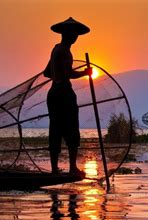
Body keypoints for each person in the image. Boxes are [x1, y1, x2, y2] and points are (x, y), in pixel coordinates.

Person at [43, 17, 92, 176]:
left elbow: (47, 72)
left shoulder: (56, 49)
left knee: (55, 128)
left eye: (76, 34)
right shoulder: (63, 50)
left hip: (54, 92)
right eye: (73, 33)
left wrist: (58, 74)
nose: (75, 37)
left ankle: (55, 169)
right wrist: (85, 73)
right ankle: (72, 168)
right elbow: (67, 73)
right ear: (66, 34)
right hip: (63, 92)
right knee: (71, 129)